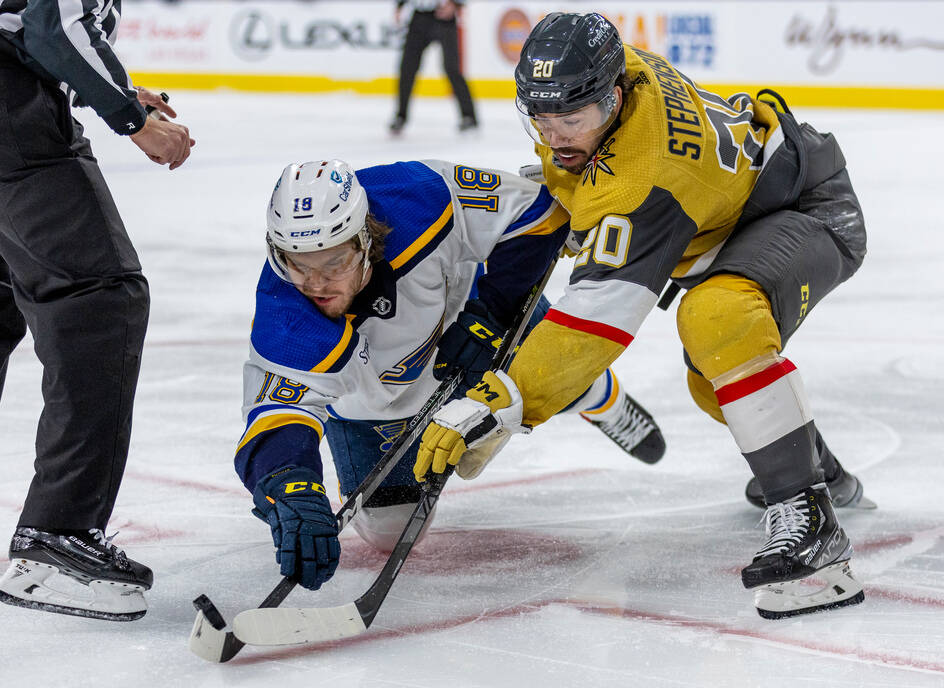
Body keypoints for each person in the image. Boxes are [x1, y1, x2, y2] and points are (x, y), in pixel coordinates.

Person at [416, 12, 872, 619]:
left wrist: (508, 397)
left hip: (805, 208)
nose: (555, 136)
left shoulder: (646, 175)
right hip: (729, 213)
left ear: (615, 97)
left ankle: (812, 522)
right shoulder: (612, 74)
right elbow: (597, 175)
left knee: (717, 319)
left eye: (570, 120)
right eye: (540, 120)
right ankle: (822, 472)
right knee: (718, 384)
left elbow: (595, 322)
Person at [236, 158, 665, 590]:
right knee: (391, 532)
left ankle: (598, 396)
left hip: (466, 328)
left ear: (365, 238)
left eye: (334, 263)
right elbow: (275, 415)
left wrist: (491, 315)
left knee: (555, 374)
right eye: (299, 264)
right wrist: (293, 487)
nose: (316, 284)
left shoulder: (418, 197)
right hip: (379, 404)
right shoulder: (285, 319)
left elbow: (537, 213)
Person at [0, 0, 194, 620]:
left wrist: (116, 86)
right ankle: (58, 537)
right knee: (99, 297)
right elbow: (54, 21)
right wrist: (130, 117)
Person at [390, 0, 478, 136]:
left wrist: (455, 4)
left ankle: (469, 116)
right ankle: (400, 116)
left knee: (452, 68)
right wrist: (399, 5)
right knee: (407, 68)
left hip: (444, 17)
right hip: (419, 16)